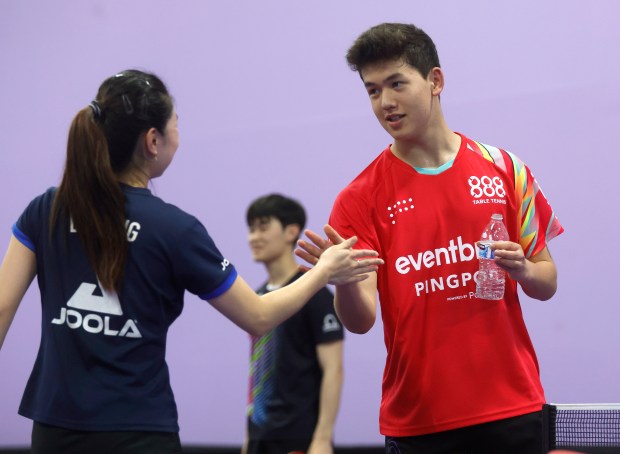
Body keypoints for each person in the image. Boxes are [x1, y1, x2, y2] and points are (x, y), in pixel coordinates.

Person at [0, 69, 383, 454]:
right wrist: (325, 271)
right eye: (176, 124)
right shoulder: (174, 228)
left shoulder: (46, 208)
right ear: (153, 141)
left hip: (53, 430)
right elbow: (258, 316)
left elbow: (1, 307)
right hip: (138, 432)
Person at [296, 23, 564, 453]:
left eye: (396, 83)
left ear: (435, 80)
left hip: (513, 409)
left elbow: (547, 282)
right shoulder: (357, 199)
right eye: (372, 90)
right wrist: (343, 279)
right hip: (419, 422)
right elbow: (361, 320)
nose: (385, 102)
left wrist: (525, 270)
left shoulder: (506, 169)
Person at [243, 194, 344, 454]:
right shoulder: (256, 298)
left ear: (292, 231)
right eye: (251, 229)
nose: (254, 237)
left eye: (263, 227)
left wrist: (322, 439)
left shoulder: (315, 294)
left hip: (298, 438)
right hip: (260, 437)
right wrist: (248, 437)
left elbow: (334, 370)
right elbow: (256, 371)